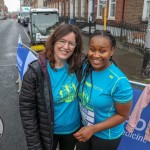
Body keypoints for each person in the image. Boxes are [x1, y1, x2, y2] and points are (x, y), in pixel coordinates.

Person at [19, 24, 83, 150]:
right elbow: (27, 112)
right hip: (48, 134)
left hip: (73, 132)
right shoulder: (35, 72)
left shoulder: (79, 67)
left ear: (76, 47)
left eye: (71, 43)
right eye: (62, 41)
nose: (66, 47)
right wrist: (35, 146)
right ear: (53, 42)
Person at [74, 30, 133, 150]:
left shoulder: (119, 82)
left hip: (106, 137)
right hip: (86, 128)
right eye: (92, 49)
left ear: (111, 51)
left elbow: (122, 115)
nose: (95, 55)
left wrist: (93, 128)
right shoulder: (86, 68)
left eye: (102, 51)